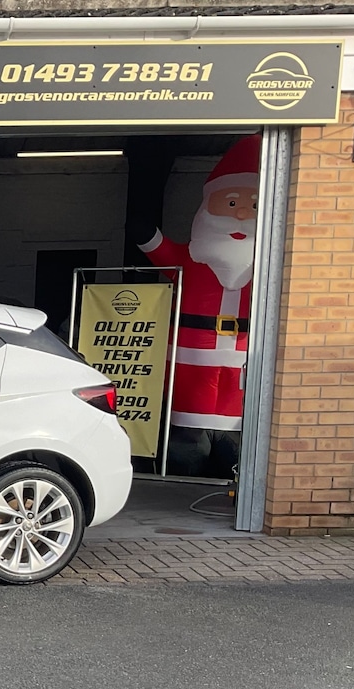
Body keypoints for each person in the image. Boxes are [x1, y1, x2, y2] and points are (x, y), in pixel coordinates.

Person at [134, 134, 260, 479]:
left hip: (243, 368)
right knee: (187, 452)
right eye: (231, 202)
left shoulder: (269, 265)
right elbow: (144, 234)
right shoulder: (186, 259)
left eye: (253, 205)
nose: (242, 213)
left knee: (234, 454)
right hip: (190, 369)